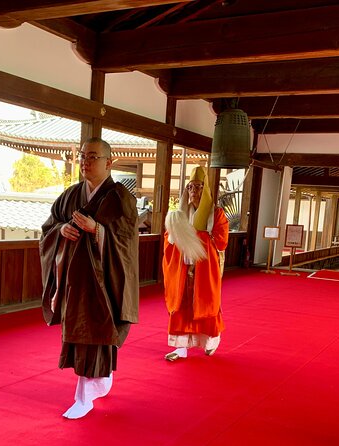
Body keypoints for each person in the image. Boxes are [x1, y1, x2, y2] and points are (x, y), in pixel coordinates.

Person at [39, 137, 139, 419]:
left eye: (93, 156)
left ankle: (84, 397)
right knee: (81, 333)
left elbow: (126, 240)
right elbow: (49, 226)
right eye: (83, 156)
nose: (85, 161)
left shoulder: (121, 197)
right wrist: (60, 231)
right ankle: (99, 382)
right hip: (74, 279)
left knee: (96, 332)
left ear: (109, 163)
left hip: (104, 281)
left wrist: (98, 230)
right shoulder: (71, 195)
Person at [162, 166, 229, 361]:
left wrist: (196, 236)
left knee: (206, 304)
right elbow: (169, 239)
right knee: (181, 306)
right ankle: (180, 348)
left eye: (198, 187)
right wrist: (176, 232)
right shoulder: (180, 214)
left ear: (205, 189)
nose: (194, 191)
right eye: (190, 187)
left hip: (204, 270)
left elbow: (222, 240)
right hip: (183, 268)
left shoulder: (216, 214)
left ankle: (211, 341)